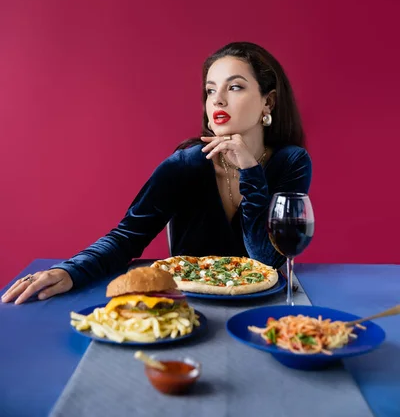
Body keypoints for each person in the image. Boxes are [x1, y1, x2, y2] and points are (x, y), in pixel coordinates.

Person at [2, 41, 312, 305]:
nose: (217, 99)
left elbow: (266, 261)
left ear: (267, 102)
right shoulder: (183, 165)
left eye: (234, 87)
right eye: (210, 89)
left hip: (265, 308)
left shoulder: (291, 162)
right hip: (189, 309)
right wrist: (70, 271)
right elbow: (126, 238)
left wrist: (250, 170)